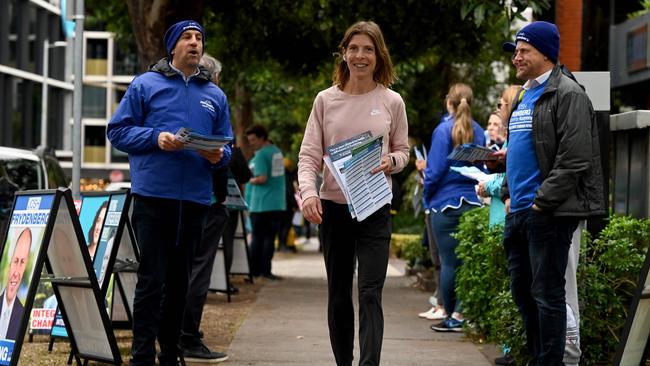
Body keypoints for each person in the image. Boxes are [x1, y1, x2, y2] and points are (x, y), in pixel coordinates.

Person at [107, 20, 232, 366]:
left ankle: (171, 354)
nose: (194, 43)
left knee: (181, 284)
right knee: (151, 281)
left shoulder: (215, 95)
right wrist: (155, 138)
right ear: (172, 46)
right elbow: (117, 131)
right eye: (187, 38)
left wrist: (219, 155)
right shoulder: (146, 84)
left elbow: (228, 146)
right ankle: (142, 356)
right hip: (153, 198)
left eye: (199, 38)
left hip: (194, 200)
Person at [298, 21, 409, 366]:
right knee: (339, 296)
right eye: (354, 48)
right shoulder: (325, 100)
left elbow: (403, 151)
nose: (360, 56)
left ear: (378, 56)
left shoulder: (392, 101)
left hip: (375, 208)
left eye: (368, 49)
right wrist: (308, 193)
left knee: (370, 293)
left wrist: (392, 160)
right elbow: (308, 155)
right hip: (334, 209)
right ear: (344, 54)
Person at [500, 21, 605, 365]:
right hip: (518, 211)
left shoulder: (569, 94)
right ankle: (538, 357)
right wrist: (506, 190)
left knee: (547, 295)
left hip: (548, 212)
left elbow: (575, 158)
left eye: (523, 50)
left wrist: (540, 202)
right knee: (524, 293)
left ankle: (550, 362)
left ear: (545, 53)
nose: (516, 57)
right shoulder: (524, 94)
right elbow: (521, 150)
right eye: (515, 51)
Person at [179, 53, 229, 363]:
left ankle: (180, 336)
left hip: (183, 201)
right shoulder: (209, 104)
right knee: (196, 273)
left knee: (179, 271)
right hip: (204, 203)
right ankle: (187, 337)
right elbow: (224, 156)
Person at [423, 83, 485, 333]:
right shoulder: (479, 131)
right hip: (472, 203)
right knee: (468, 262)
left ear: (449, 102)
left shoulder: (442, 131)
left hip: (445, 204)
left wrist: (427, 197)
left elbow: (434, 171)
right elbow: (482, 169)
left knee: (449, 263)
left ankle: (450, 317)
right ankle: (461, 313)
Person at [245, 124, 286, 280]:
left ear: (262, 138)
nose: (251, 143)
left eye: (253, 140)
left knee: (257, 238)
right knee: (270, 238)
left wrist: (248, 179)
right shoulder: (277, 153)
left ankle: (255, 270)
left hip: (261, 203)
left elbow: (262, 178)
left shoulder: (261, 155)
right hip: (277, 203)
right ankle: (266, 270)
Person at [0, 227, 31, 340]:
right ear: (9, 264)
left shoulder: (21, 315)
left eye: (22, 263)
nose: (16, 273)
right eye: (15, 261)